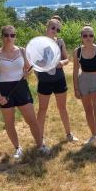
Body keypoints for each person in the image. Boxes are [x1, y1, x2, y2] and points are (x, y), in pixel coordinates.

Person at [0, 25, 49, 160]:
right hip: (4, 90)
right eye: (6, 35)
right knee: (9, 122)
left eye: (12, 35)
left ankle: (40, 146)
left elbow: (28, 68)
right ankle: (17, 148)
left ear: (15, 36)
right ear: (2, 36)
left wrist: (27, 73)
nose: (9, 38)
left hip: (21, 87)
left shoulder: (22, 51)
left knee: (32, 120)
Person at [36, 16, 78, 145]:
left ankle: (69, 134)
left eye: (57, 29)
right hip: (44, 80)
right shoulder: (38, 43)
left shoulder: (60, 42)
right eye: (53, 28)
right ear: (47, 27)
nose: (55, 31)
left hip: (59, 78)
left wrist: (62, 62)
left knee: (62, 107)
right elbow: (34, 62)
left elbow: (67, 59)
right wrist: (42, 63)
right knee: (42, 109)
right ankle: (40, 138)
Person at [73, 26, 96, 154]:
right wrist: (76, 88)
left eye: (90, 35)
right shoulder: (77, 52)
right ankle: (94, 135)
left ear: (94, 36)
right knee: (88, 111)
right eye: (85, 36)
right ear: (81, 37)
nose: (88, 38)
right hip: (83, 81)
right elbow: (74, 71)